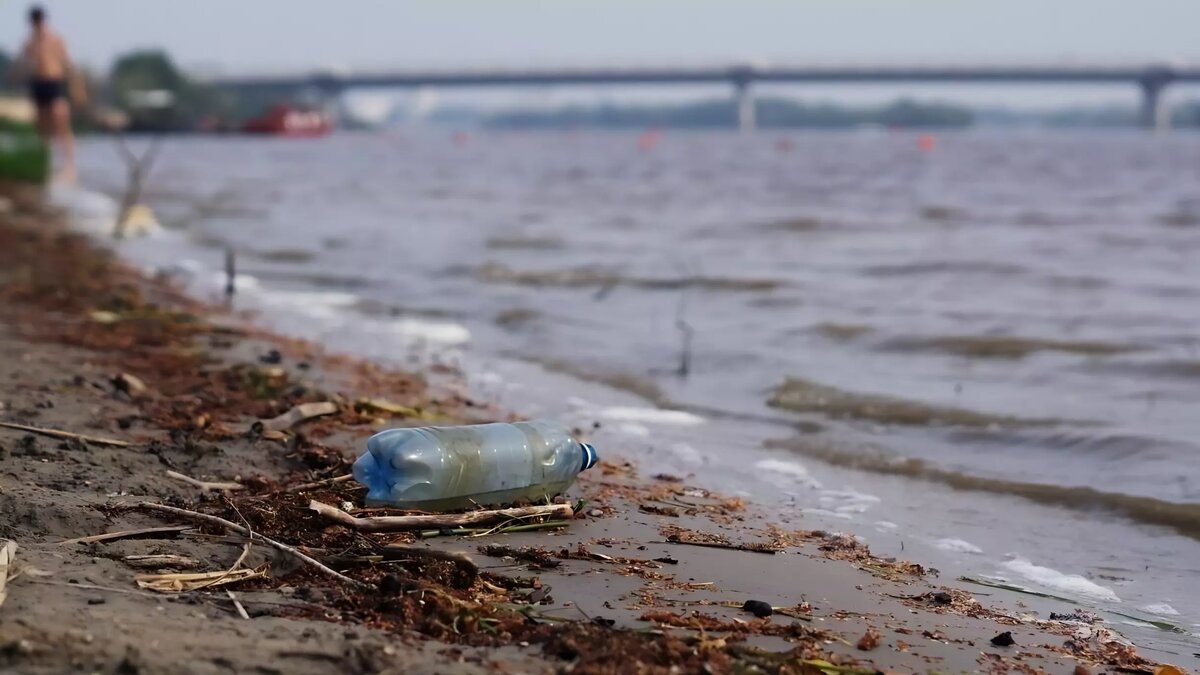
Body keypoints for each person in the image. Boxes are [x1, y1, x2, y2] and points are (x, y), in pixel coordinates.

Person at [18, 5, 79, 182]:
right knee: (42, 127)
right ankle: (46, 166)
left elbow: (67, 62)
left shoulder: (55, 39)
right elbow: (23, 65)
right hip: (38, 84)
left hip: (54, 82)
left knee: (61, 120)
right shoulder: (29, 43)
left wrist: (75, 86)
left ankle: (70, 168)